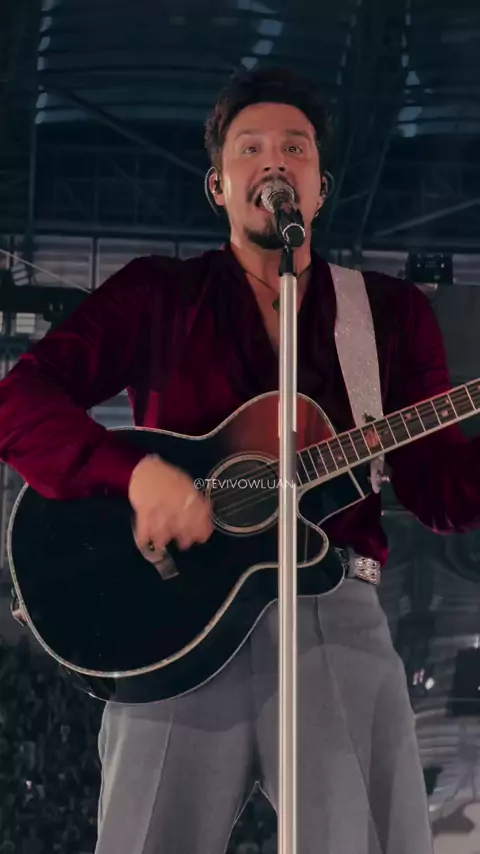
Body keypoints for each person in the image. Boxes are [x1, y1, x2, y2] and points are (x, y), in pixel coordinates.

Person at [1, 66, 480, 854]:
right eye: (249, 148)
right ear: (218, 186)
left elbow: (442, 490)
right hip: (173, 623)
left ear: (320, 189)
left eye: (295, 148)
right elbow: (19, 399)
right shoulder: (157, 294)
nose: (274, 161)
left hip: (334, 611)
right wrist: (134, 475)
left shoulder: (387, 314)